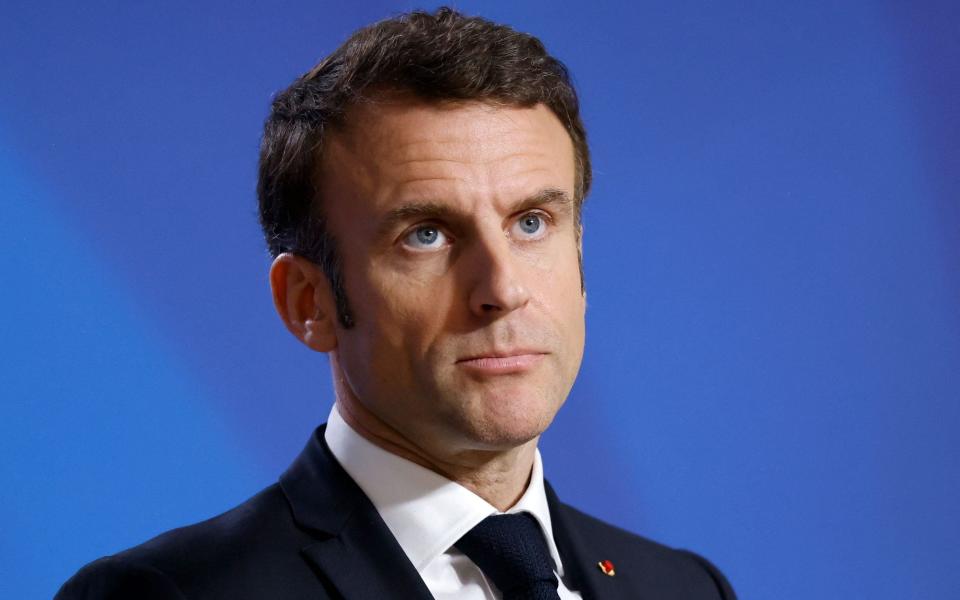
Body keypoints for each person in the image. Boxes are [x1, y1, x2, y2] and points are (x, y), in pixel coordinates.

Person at [57, 8, 735, 599]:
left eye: (531, 223)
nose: (502, 290)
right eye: (426, 235)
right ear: (308, 302)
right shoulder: (171, 595)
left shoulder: (684, 588)